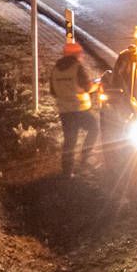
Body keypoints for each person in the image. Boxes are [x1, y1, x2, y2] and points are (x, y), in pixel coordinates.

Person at [50, 40, 99, 176]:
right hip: (80, 109)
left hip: (65, 111)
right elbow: (88, 87)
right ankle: (85, 157)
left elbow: (53, 91)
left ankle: (67, 172)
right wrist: (97, 85)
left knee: (70, 141)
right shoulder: (77, 68)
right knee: (94, 128)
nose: (81, 56)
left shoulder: (55, 69)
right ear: (76, 54)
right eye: (80, 54)